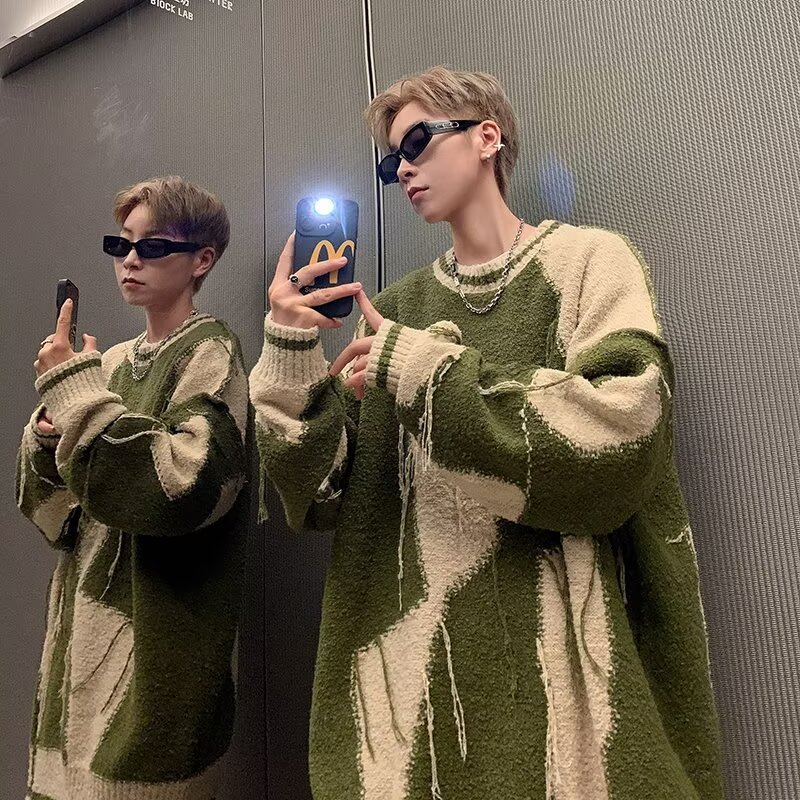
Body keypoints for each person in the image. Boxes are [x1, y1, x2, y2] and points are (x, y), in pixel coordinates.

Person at [250, 67, 723, 799]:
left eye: (416, 142)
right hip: (422, 706)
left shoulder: (587, 262)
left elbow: (623, 430)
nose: (403, 170)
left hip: (565, 696)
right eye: (391, 162)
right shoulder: (397, 310)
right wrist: (289, 349)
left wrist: (426, 374)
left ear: (486, 138)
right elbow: (319, 494)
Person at [17, 176, 250, 799]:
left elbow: (186, 487)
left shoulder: (211, 352)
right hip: (80, 642)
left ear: (202, 259)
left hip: (155, 655)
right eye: (121, 245)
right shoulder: (112, 363)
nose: (130, 261)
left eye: (152, 247)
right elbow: (55, 514)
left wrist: (79, 399)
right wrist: (47, 433)